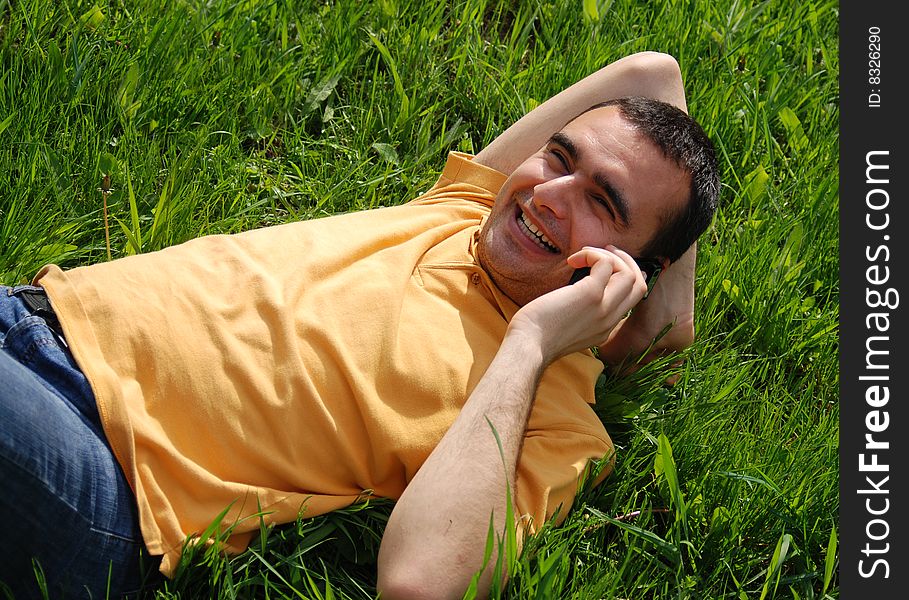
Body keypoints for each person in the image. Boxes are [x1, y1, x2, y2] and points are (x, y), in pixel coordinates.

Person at [0, 51, 718, 599]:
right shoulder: (458, 210)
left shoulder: (557, 423)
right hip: (28, 322)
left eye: (602, 201)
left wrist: (532, 341)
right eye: (558, 158)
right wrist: (668, 320)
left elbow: (420, 580)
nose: (548, 194)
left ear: (631, 268)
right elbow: (652, 73)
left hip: (101, 469)